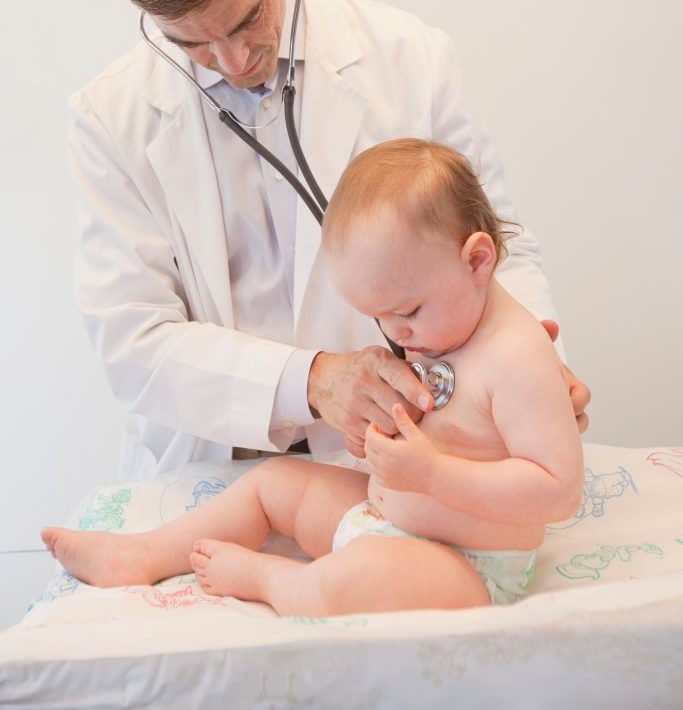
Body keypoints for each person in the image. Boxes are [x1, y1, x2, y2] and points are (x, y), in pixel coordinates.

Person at [43, 139, 584, 615]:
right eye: (381, 318)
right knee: (276, 482)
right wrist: (376, 436)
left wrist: (433, 474)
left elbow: (557, 492)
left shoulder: (517, 354)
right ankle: (142, 553)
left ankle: (274, 582)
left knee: (359, 576)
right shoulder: (447, 319)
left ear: (477, 260)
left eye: (409, 312)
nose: (399, 333)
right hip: (381, 519)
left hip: (466, 566)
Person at [71, 0, 589, 478]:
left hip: (407, 445)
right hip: (217, 456)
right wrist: (311, 381)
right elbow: (134, 339)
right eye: (192, 44)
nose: (233, 60)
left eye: (247, 19)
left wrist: (538, 369)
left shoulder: (409, 58)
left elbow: (497, 247)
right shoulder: (109, 118)